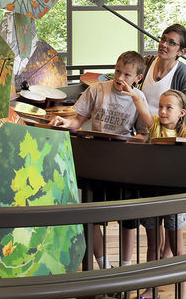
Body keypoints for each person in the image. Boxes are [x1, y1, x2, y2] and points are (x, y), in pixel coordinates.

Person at [51, 50, 151, 267]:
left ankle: (125, 266)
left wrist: (137, 140)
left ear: (138, 78)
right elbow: (78, 120)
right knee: (92, 215)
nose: (120, 78)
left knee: (129, 217)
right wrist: (65, 123)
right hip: (95, 159)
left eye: (126, 75)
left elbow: (144, 132)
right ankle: (104, 265)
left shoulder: (139, 98)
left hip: (123, 162)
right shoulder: (97, 89)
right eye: (117, 72)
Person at [139, 90, 186, 299]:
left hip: (174, 197)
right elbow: (142, 106)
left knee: (177, 248)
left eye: (168, 108)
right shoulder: (154, 126)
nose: (162, 111)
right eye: (160, 106)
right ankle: (150, 288)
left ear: (181, 113)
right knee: (153, 246)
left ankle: (183, 292)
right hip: (152, 194)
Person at [139, 24, 186, 139]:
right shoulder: (146, 63)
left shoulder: (182, 72)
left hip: (163, 135)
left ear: (181, 51)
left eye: (171, 43)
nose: (163, 44)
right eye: (163, 39)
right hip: (140, 130)